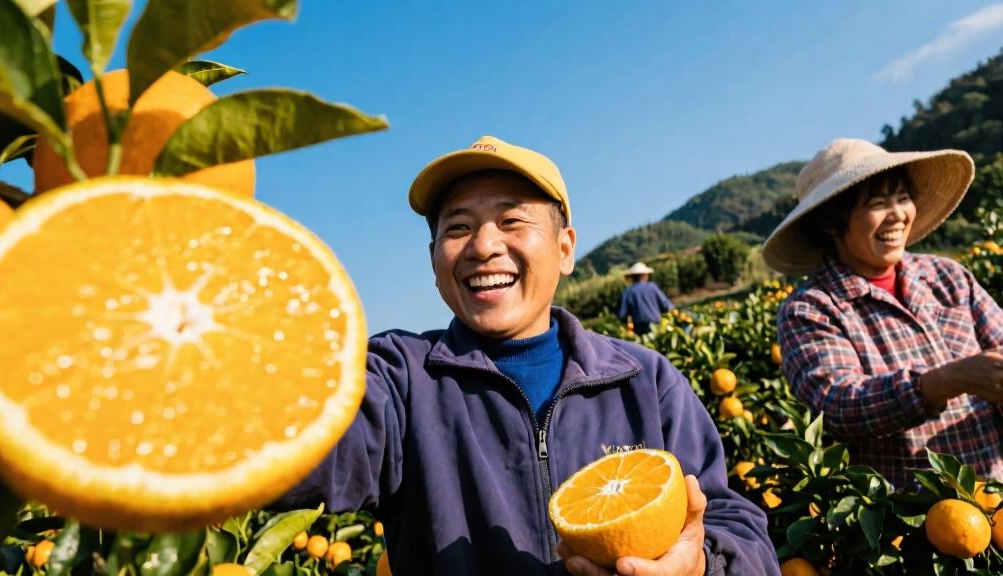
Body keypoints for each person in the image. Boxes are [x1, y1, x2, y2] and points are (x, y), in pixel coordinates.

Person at [272, 135, 779, 575]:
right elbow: (311, 444)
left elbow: (739, 528)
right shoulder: (401, 378)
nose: (483, 245)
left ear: (564, 249)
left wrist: (701, 563)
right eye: (457, 228)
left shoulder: (644, 381)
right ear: (434, 262)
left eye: (512, 220)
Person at [762, 138, 1003, 489]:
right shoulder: (812, 309)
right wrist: (942, 382)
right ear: (831, 221)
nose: (898, 215)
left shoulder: (947, 277)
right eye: (878, 203)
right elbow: (837, 407)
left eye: (903, 198)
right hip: (910, 528)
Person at [618, 262, 675, 335]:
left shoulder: (628, 292)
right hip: (656, 327)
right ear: (645, 275)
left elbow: (622, 315)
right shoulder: (652, 287)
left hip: (639, 331)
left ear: (632, 277)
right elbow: (666, 306)